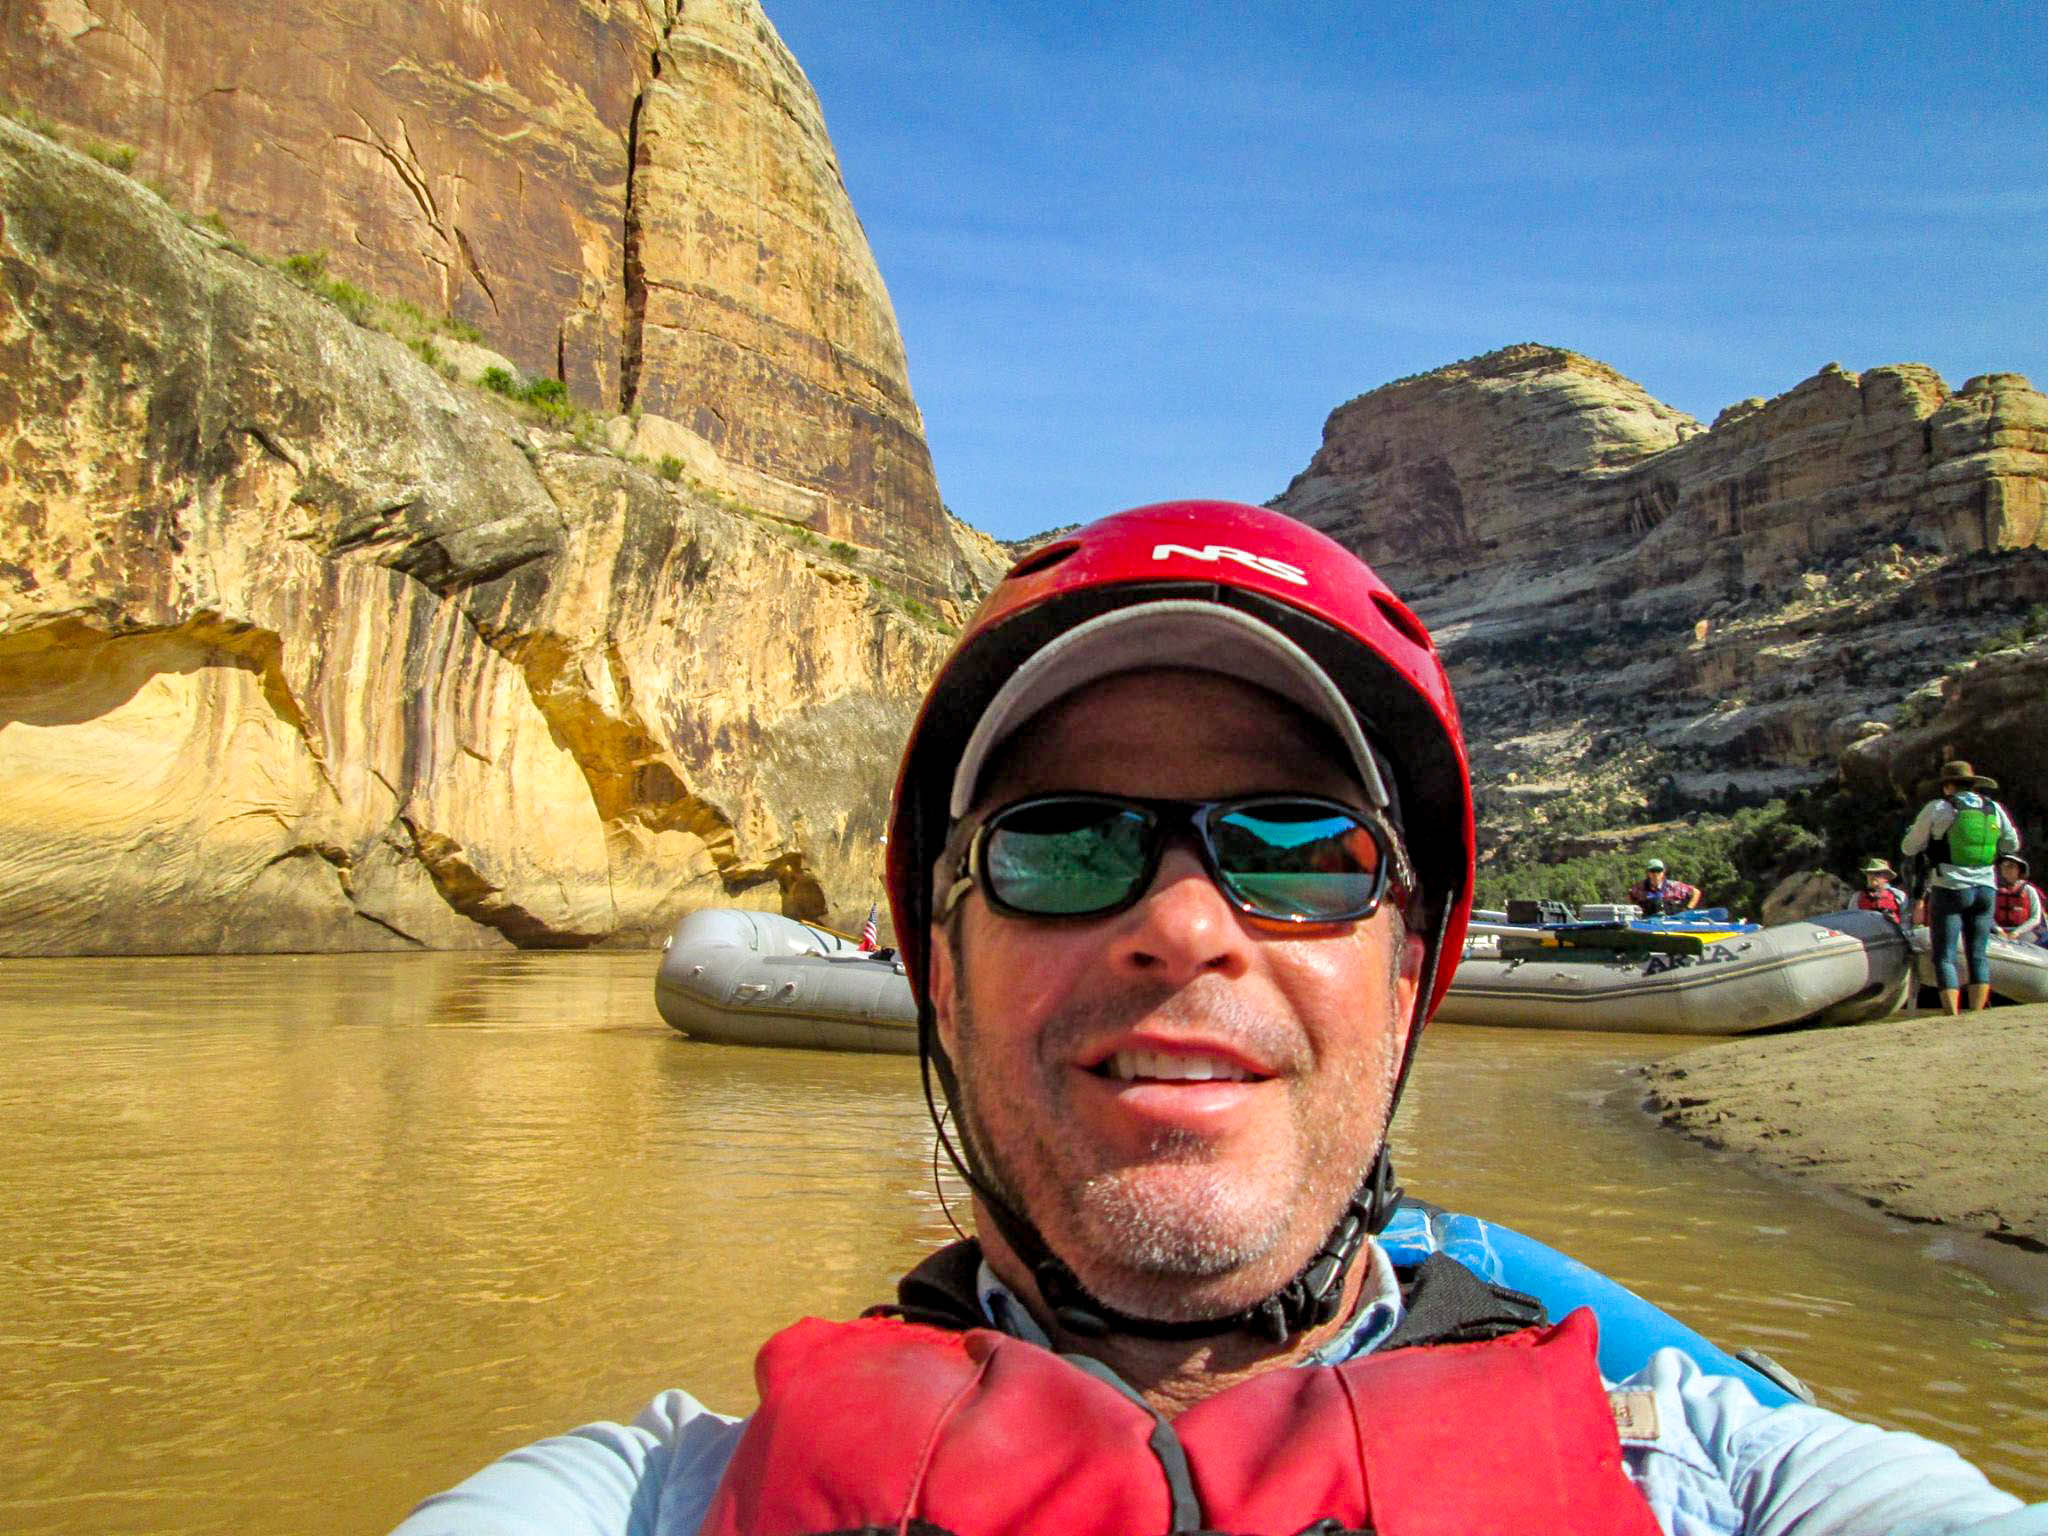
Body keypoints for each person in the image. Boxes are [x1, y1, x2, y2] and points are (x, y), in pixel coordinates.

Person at [392, 502, 2041, 1535]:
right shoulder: (646, 1504)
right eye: (1057, 845)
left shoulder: (1714, 1487)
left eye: (1298, 853)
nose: (1179, 925)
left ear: (1409, 967)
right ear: (939, 967)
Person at [1902, 761, 2022, 1014]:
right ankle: (1977, 1012)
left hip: (1950, 886)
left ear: (1948, 786)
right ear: (1973, 785)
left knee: (1944, 954)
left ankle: (1952, 1014)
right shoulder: (1994, 809)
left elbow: (1909, 847)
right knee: (1977, 952)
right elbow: (2012, 844)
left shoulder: (1938, 808)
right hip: (1986, 887)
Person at [1995, 854, 2046, 945]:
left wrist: (2017, 932)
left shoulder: (2029, 890)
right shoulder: (1994, 889)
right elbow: (1987, 914)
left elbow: (2036, 918)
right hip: (1999, 930)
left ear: (2019, 870)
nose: (2006, 869)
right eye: (2004, 866)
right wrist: (1998, 930)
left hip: (2025, 931)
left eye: (2011, 866)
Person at [1628, 857, 1701, 917]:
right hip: (1649, 923)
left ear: (1663, 872)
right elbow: (1631, 894)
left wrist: (1688, 909)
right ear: (1648, 872)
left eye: (1658, 870)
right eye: (1653, 871)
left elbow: (1696, 892)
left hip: (1673, 922)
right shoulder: (1639, 888)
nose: (1656, 874)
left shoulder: (1674, 886)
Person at [1852, 856, 1912, 924]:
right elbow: (1851, 921)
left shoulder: (1899, 896)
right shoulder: (1857, 897)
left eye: (1877, 873)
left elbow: (1906, 922)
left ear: (1886, 877)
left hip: (1892, 933)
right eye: (1870, 873)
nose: (1872, 876)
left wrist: (1895, 921)